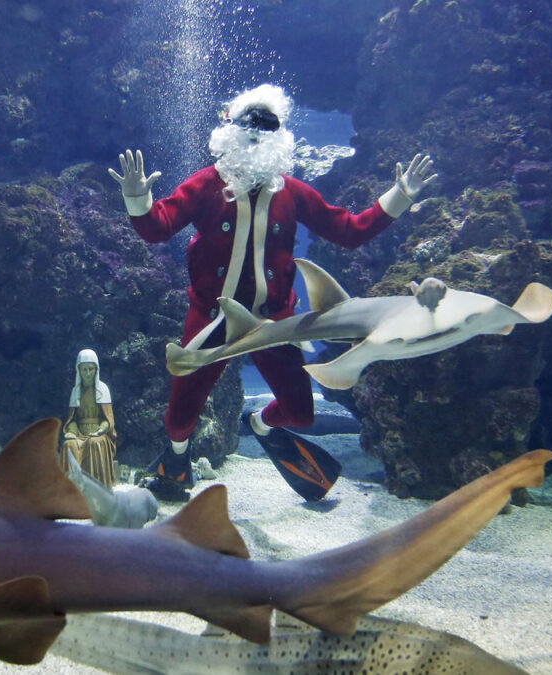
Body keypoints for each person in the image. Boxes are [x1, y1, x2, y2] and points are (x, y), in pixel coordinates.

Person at [109, 83, 436, 499]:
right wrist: (137, 197)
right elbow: (158, 227)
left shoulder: (293, 193)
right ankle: (176, 458)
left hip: (275, 321)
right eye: (250, 122)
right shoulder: (206, 184)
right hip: (212, 317)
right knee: (179, 418)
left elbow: (349, 232)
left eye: (268, 123)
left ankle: (261, 425)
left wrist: (401, 196)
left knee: (300, 413)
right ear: (229, 126)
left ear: (281, 134)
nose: (257, 132)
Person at [59, 349, 118, 487]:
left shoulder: (102, 389)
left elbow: (108, 419)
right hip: (79, 433)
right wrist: (71, 432)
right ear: (78, 369)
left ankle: (97, 486)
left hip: (99, 433)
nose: (87, 373)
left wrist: (100, 430)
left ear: (96, 369)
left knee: (94, 442)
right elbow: (72, 419)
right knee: (69, 445)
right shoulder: (75, 391)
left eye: (90, 369)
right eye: (84, 369)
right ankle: (71, 487)